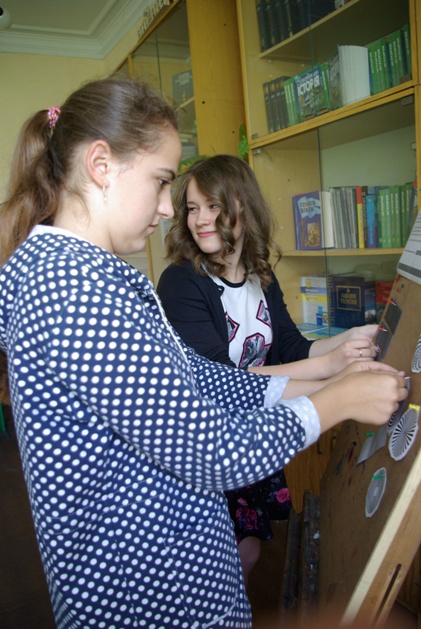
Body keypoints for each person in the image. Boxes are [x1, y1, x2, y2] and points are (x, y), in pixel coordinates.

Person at [0, 78, 407, 629]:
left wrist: (328, 383)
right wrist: (336, 402)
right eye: (161, 181)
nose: (168, 209)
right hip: (148, 598)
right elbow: (211, 452)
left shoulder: (92, 279)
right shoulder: (72, 291)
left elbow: (201, 377)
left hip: (174, 577)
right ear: (100, 165)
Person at [157, 154, 381, 584]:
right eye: (192, 208)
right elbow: (221, 382)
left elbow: (293, 346)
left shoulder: (261, 275)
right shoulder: (181, 283)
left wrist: (349, 341)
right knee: (233, 557)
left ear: (244, 206)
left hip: (254, 426)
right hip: (216, 439)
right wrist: (332, 373)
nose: (200, 220)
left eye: (213, 206)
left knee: (247, 551)